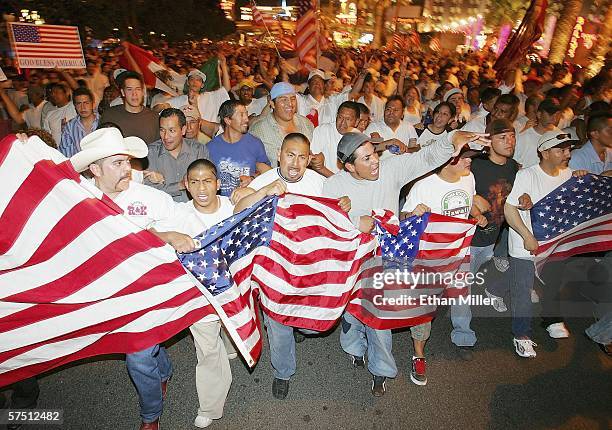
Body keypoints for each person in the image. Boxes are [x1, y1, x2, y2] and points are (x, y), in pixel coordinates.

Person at [323, 129, 490, 396]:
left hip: (387, 259)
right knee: (353, 313)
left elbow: (425, 158)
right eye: (366, 159)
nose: (375, 160)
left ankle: (381, 370)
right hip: (353, 261)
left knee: (379, 318)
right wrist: (356, 222)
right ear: (349, 166)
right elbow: (327, 225)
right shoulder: (334, 186)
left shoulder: (390, 170)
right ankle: (354, 348)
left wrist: (452, 140)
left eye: (374, 153)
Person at [69, 127, 197, 430]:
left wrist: (165, 235)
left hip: (147, 290)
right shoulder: (77, 198)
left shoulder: (149, 198)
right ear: (95, 169)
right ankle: (163, 369)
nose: (129, 167)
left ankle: (150, 415)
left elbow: (186, 227)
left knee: (137, 356)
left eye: (128, 161)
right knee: (148, 352)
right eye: (118, 163)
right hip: (107, 291)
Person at [234, 133, 350, 400]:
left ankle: (301, 326)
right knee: (277, 322)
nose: (295, 163)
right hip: (275, 270)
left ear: (309, 159)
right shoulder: (263, 181)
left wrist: (344, 203)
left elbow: (339, 212)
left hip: (312, 268)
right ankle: (282, 372)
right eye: (290, 155)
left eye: (301, 157)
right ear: (279, 154)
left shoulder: (321, 183)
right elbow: (237, 209)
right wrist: (263, 191)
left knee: (311, 325)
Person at [157, 159, 234, 429]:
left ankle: (231, 342)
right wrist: (171, 235)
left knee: (228, 332)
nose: (202, 188)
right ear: (186, 186)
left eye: (207, 181)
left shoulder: (232, 208)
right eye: (195, 182)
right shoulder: (179, 212)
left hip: (231, 290)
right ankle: (210, 406)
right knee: (207, 350)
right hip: (198, 295)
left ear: (218, 183)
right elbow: (148, 230)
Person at [503, 130, 587, 358]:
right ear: (544, 152)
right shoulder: (528, 175)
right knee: (522, 290)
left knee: (553, 284)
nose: (567, 154)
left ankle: (552, 318)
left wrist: (584, 179)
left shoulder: (570, 175)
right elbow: (509, 209)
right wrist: (526, 235)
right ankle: (521, 334)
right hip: (525, 244)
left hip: (556, 244)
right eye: (561, 150)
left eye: (569, 149)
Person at [401, 148, 488, 366]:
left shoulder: (468, 178)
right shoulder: (424, 185)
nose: (469, 161)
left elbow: (466, 205)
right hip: (430, 256)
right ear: (448, 160)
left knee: (461, 295)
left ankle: (464, 336)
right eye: (465, 157)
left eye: (471, 158)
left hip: (459, 251)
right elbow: (403, 219)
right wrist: (413, 214)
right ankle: (419, 352)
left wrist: (476, 214)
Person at [207, 100, 270, 197]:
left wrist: (252, 178)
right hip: (222, 205)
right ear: (228, 120)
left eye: (246, 114)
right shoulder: (211, 147)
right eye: (241, 115)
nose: (246, 119)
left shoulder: (255, 144)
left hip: (249, 201)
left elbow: (267, 172)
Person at [145, 108, 210, 202]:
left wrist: (166, 185)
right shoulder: (151, 153)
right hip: (163, 213)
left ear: (183, 130)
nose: (166, 136)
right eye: (162, 130)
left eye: (171, 130)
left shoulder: (198, 150)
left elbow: (207, 184)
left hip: (193, 212)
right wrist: (180, 185)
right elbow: (149, 192)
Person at [250, 82, 314, 168]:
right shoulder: (258, 131)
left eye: (293, 99)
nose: (290, 104)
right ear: (272, 104)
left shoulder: (306, 124)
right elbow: (251, 164)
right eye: (283, 99)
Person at [99, 71, 160, 143]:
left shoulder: (154, 117)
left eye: (138, 89)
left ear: (143, 92)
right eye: (129, 89)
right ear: (122, 92)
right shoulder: (109, 115)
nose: (134, 94)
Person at [310, 101, 360, 176]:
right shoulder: (323, 130)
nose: (343, 123)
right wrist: (337, 181)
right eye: (340, 117)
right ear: (336, 116)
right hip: (323, 180)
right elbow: (314, 163)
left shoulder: (358, 137)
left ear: (356, 122)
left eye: (348, 119)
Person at [513, 98, 562, 169]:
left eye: (557, 114)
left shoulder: (561, 137)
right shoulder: (523, 136)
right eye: (550, 114)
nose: (554, 118)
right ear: (539, 114)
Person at [365, 95, 418, 160]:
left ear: (402, 113)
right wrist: (391, 142)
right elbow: (368, 150)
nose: (391, 112)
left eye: (395, 110)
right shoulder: (374, 127)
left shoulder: (409, 127)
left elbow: (416, 148)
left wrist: (406, 150)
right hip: (381, 168)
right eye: (388, 109)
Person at [58, 87, 100, 157]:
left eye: (86, 103)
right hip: (79, 166)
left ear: (93, 104)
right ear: (75, 106)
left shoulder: (103, 121)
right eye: (79, 103)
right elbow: (65, 152)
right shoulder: (70, 126)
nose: (82, 107)